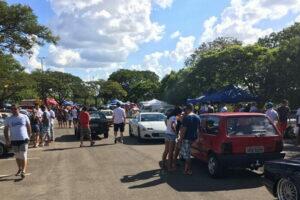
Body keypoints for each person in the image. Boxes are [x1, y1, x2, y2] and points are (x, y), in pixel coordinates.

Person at [4, 105, 31, 179]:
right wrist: (7, 140)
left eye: (15, 109)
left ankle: (24, 171)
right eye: (12, 109)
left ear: (19, 109)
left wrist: (29, 136)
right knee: (17, 155)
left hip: (23, 139)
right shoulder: (8, 119)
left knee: (23, 155)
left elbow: (28, 126)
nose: (14, 110)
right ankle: (20, 169)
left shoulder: (24, 116)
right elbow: (6, 130)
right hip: (14, 140)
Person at [179, 104, 200, 175]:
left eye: (185, 110)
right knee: (189, 155)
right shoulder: (198, 117)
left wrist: (180, 140)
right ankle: (186, 169)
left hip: (187, 139)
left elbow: (183, 130)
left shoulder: (187, 118)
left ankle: (189, 170)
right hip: (194, 139)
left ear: (188, 109)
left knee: (187, 156)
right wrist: (198, 138)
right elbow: (199, 129)